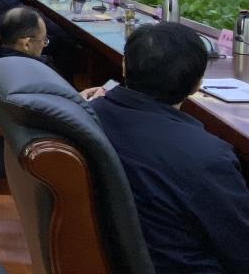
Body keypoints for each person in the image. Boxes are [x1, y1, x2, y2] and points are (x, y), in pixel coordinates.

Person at [90, 23, 249, 274]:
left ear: (124, 66)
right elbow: (241, 250)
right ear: (198, 84)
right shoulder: (208, 157)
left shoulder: (87, 115)